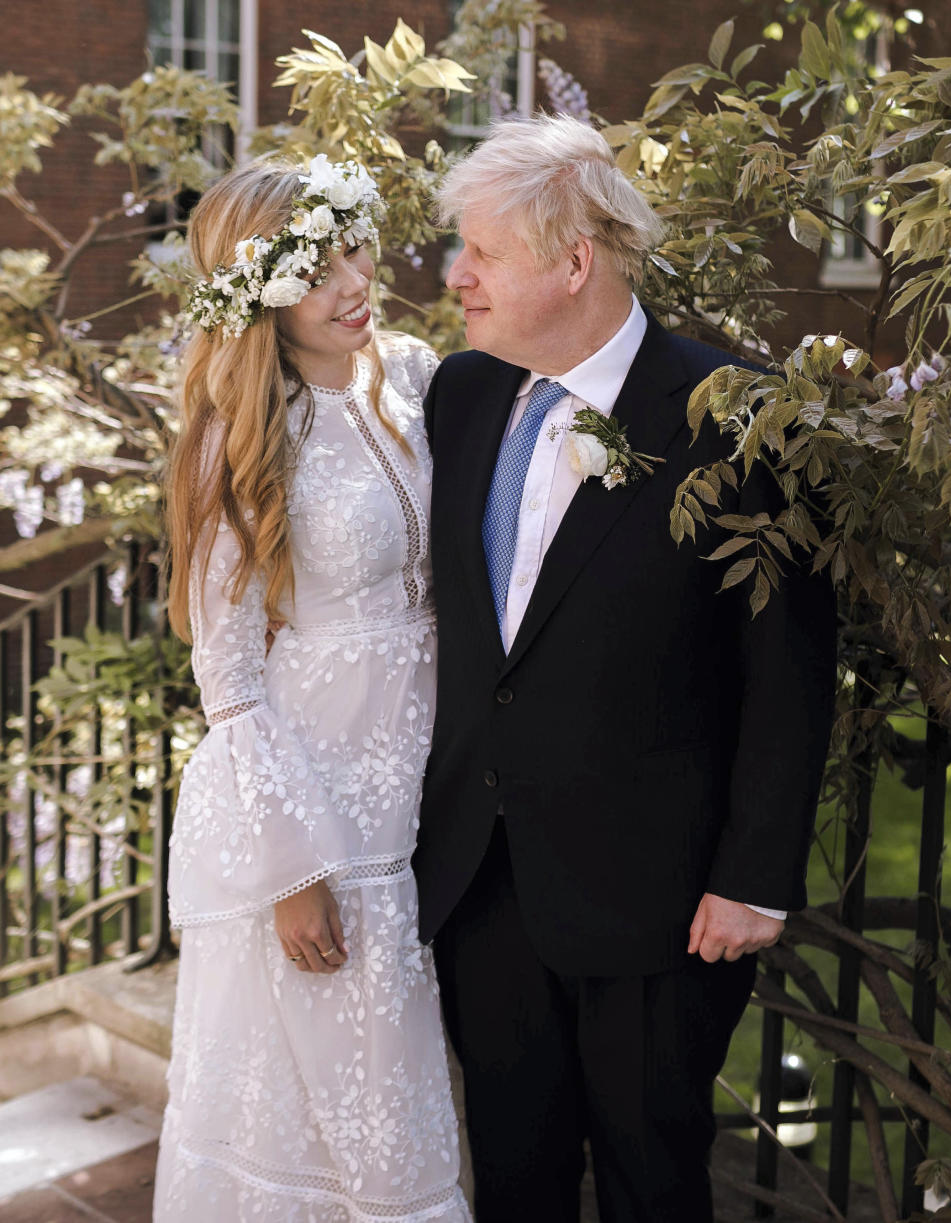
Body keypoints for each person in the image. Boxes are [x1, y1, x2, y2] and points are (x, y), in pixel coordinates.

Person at [412, 114, 837, 1223]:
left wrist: (754, 875)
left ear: (573, 261)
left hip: (662, 900)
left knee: (654, 1179)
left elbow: (788, 667)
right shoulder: (460, 398)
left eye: (481, 253)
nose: (457, 277)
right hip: (483, 880)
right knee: (512, 1176)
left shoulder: (738, 417)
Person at [154, 157, 470, 1222]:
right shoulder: (242, 436)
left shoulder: (417, 373)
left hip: (439, 769)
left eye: (355, 246)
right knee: (339, 1097)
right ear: (258, 294)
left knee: (416, 1076)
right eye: (316, 266)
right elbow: (231, 674)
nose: (353, 280)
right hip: (322, 804)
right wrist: (293, 867)